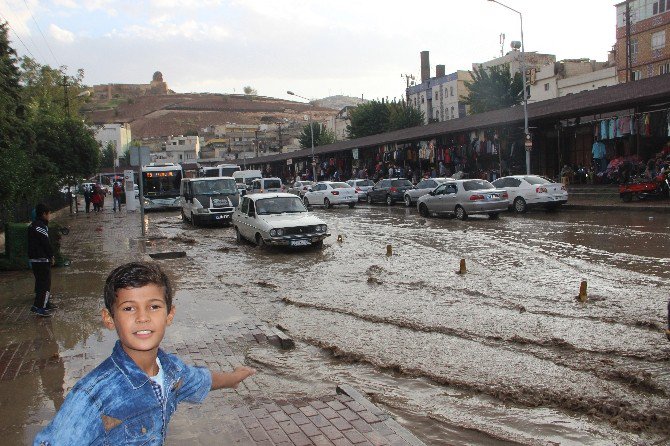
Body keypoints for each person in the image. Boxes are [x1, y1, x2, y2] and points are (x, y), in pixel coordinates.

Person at [34, 262, 256, 445]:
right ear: (109, 318)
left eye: (154, 306)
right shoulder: (92, 397)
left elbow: (202, 380)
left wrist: (235, 377)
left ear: (170, 315)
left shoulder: (170, 372)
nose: (143, 317)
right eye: (129, 308)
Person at [28, 203, 55, 317]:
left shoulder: (33, 226)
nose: (50, 216)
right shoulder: (40, 227)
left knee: (40, 284)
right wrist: (51, 256)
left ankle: (41, 304)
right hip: (42, 260)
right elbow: (46, 244)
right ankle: (41, 308)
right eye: (49, 214)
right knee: (45, 285)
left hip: (35, 259)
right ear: (44, 214)